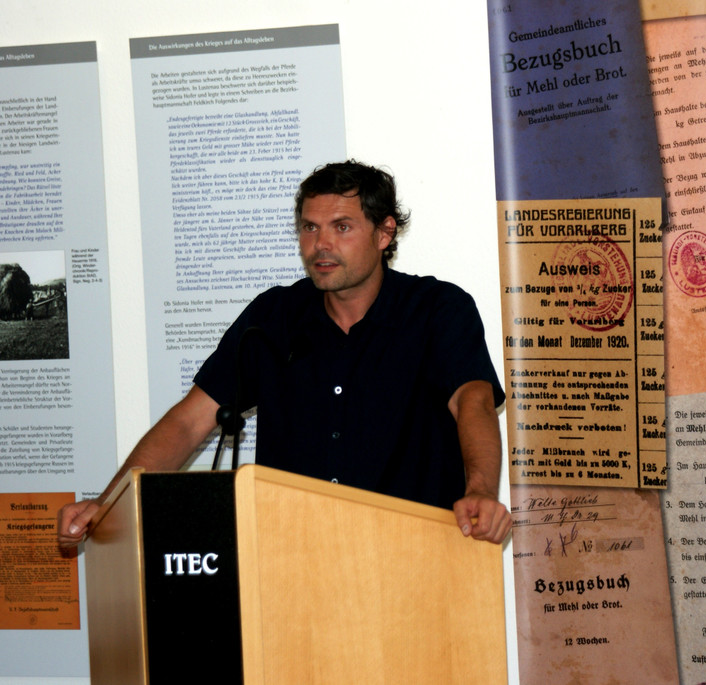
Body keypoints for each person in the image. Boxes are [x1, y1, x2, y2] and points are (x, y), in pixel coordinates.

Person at [58, 160, 512, 546]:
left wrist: (480, 492)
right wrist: (108, 502)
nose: (321, 245)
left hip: (413, 555)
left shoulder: (437, 310)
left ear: (384, 233)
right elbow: (190, 421)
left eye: (342, 227)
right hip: (294, 560)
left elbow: (472, 401)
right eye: (310, 228)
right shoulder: (274, 316)